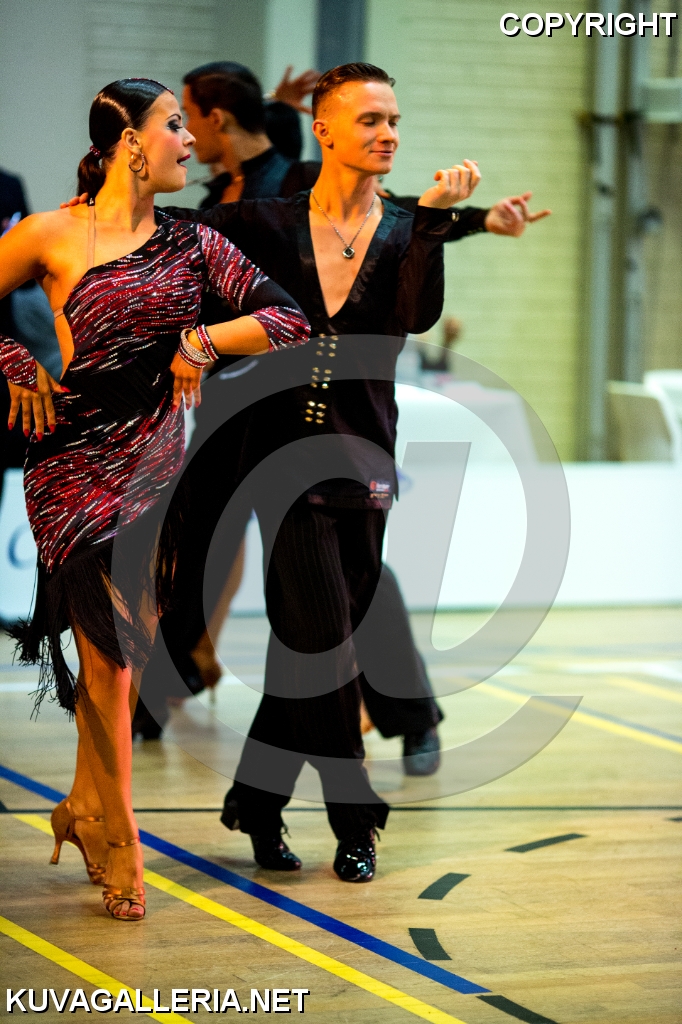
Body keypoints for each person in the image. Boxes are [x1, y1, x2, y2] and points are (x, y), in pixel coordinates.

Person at [134, 59, 550, 774]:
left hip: (330, 421)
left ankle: (398, 718)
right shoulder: (222, 197)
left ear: (217, 119)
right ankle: (168, 696)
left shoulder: (293, 182)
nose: (188, 134)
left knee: (345, 585)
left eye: (190, 118)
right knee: (196, 548)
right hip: (235, 410)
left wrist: (477, 218)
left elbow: (395, 225)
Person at [157, 61, 481, 881]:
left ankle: (258, 801)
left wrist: (435, 221)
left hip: (367, 459)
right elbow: (169, 246)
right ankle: (354, 814)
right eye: (370, 119)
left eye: (394, 120)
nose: (388, 133)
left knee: (310, 649)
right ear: (324, 129)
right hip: (280, 461)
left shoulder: (405, 229)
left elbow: (414, 315)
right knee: (326, 643)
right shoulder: (261, 221)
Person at [0, 78, 308, 921]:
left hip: (154, 464)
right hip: (69, 463)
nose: (189, 138)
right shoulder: (50, 232)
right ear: (131, 141)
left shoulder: (195, 242)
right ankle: (122, 839)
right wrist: (16, 360)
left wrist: (203, 340)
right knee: (110, 657)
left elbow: (287, 321)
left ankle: (82, 805)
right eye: (175, 124)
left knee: (124, 657)